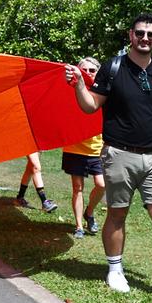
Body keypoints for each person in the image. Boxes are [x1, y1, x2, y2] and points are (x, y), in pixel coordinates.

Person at [64, 13, 152, 300]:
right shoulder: (113, 67)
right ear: (131, 35)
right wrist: (79, 85)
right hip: (119, 154)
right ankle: (115, 270)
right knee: (118, 214)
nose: (145, 38)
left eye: (150, 35)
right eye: (140, 33)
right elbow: (91, 106)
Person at [61, 58, 106, 238]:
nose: (88, 73)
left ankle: (89, 212)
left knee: (101, 185)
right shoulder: (68, 91)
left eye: (92, 70)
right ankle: (79, 226)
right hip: (74, 148)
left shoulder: (102, 93)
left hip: (97, 149)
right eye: (84, 69)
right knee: (77, 188)